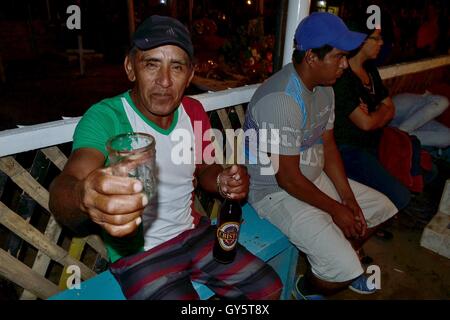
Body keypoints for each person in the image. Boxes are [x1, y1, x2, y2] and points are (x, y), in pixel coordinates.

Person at [49, 15, 282, 300]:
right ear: (130, 68)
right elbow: (68, 182)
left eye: (177, 67)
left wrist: (222, 180)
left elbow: (205, 168)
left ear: (190, 74)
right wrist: (83, 196)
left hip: (195, 234)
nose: (164, 81)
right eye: (151, 64)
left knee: (269, 290)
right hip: (139, 254)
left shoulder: (194, 112)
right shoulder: (107, 117)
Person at [243, 12, 397, 299]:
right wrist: (336, 209)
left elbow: (328, 145)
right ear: (312, 56)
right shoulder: (282, 100)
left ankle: (340, 256)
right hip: (275, 191)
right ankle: (307, 288)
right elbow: (288, 179)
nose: (344, 64)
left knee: (382, 208)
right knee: (342, 268)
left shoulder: (326, 88)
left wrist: (347, 197)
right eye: (338, 57)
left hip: (310, 177)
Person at [333, 23, 449, 214]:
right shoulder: (343, 76)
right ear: (361, 41)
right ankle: (367, 213)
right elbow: (366, 122)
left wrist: (373, 114)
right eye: (376, 38)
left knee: (428, 170)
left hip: (375, 140)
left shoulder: (369, 69)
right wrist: (377, 112)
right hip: (350, 149)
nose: (381, 43)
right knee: (401, 197)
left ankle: (382, 200)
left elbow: (389, 108)